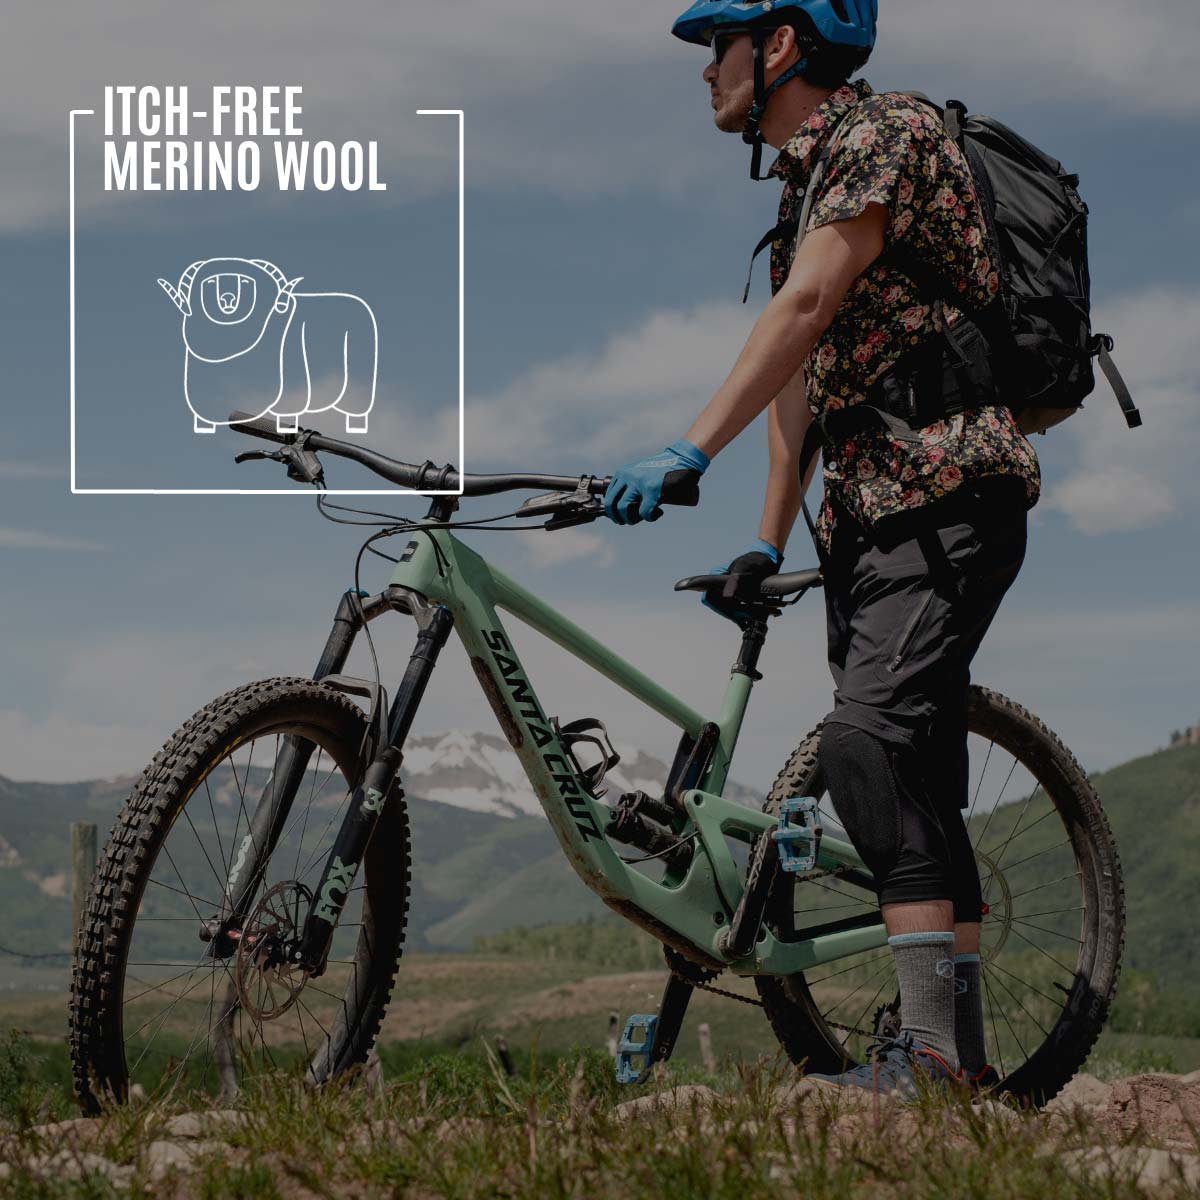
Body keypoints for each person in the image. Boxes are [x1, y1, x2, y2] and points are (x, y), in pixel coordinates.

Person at [602, 0, 1041, 1094]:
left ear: (782, 44)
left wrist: (686, 447)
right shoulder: (811, 182)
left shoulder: (883, 133)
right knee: (921, 770)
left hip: (947, 490)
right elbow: (808, 376)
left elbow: (800, 311)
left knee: (868, 748)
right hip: (873, 514)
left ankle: (929, 1057)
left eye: (720, 45)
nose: (707, 70)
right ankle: (963, 1066)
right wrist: (761, 537)